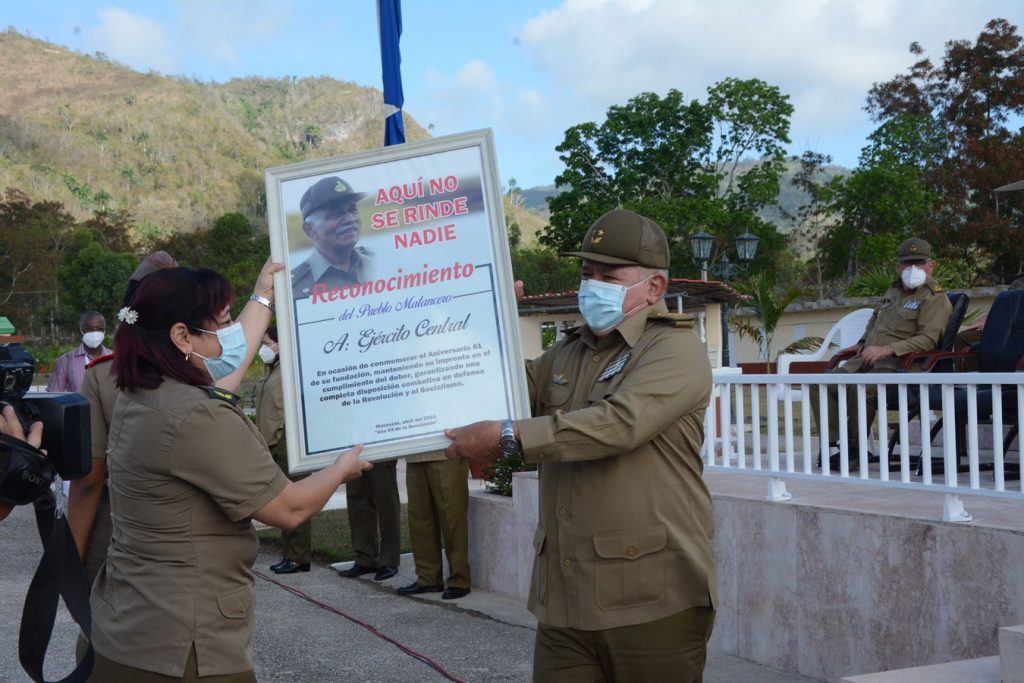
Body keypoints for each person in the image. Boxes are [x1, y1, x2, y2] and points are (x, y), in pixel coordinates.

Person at [445, 208, 717, 682]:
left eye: (608, 276)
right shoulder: (568, 350)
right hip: (566, 597)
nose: (591, 285)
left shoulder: (675, 350)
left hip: (650, 601)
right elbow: (500, 389)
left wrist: (507, 440)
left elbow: (617, 424)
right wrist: (489, 322)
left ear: (653, 288)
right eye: (587, 273)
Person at [87, 267, 371, 681]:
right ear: (182, 336)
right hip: (183, 648)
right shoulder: (195, 415)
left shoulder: (141, 394)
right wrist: (341, 468)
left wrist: (263, 294)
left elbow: (226, 378)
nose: (233, 335)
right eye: (222, 324)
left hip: (127, 632)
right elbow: (291, 509)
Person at [68, 252, 280, 588]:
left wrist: (69, 561)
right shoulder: (199, 372)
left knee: (107, 628)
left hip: (121, 537)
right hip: (193, 552)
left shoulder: (107, 376)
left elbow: (87, 485)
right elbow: (286, 508)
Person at [814, 237, 952, 463]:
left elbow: (928, 340)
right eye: (907, 264)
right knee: (821, 384)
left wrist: (888, 349)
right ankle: (838, 443)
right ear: (898, 267)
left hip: (902, 366)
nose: (912, 269)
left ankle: (855, 450)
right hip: (867, 359)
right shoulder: (893, 292)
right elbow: (874, 321)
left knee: (859, 388)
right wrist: (861, 342)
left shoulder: (935, 298)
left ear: (931, 266)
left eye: (919, 263)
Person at [256, 326, 312, 574]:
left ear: (279, 344)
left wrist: (277, 437)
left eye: (266, 343)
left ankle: (298, 556)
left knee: (294, 500)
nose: (263, 349)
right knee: (283, 501)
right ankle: (290, 554)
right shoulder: (273, 370)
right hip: (273, 443)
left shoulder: (290, 370)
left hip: (286, 443)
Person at [396, 452, 471, 600]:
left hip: (447, 453)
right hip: (415, 453)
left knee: (452, 518)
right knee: (419, 518)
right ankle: (428, 578)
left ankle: (459, 580)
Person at [291, 175, 374, 299]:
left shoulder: (380, 262)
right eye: (335, 214)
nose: (350, 219)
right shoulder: (293, 288)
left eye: (352, 210)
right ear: (310, 230)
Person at [336, 455, 401, 582]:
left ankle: (389, 561)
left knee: (387, 502)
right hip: (355, 448)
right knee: (358, 502)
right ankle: (365, 558)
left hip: (380, 447)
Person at [46, 310, 112, 392]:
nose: (95, 333)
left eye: (99, 329)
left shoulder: (115, 359)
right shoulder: (66, 361)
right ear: (81, 330)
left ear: (104, 331)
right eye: (89, 329)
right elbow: (54, 395)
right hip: (79, 405)